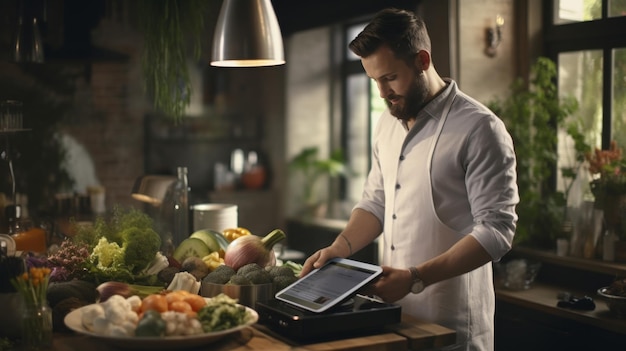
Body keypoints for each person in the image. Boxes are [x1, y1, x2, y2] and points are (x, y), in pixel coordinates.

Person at [300, 8, 518, 351]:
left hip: (452, 324)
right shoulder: (387, 123)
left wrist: (415, 279)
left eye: (389, 78)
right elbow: (375, 202)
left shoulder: (480, 128)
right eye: (374, 81)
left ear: (422, 60)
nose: (382, 93)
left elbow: (497, 231)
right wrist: (337, 248)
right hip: (394, 319)